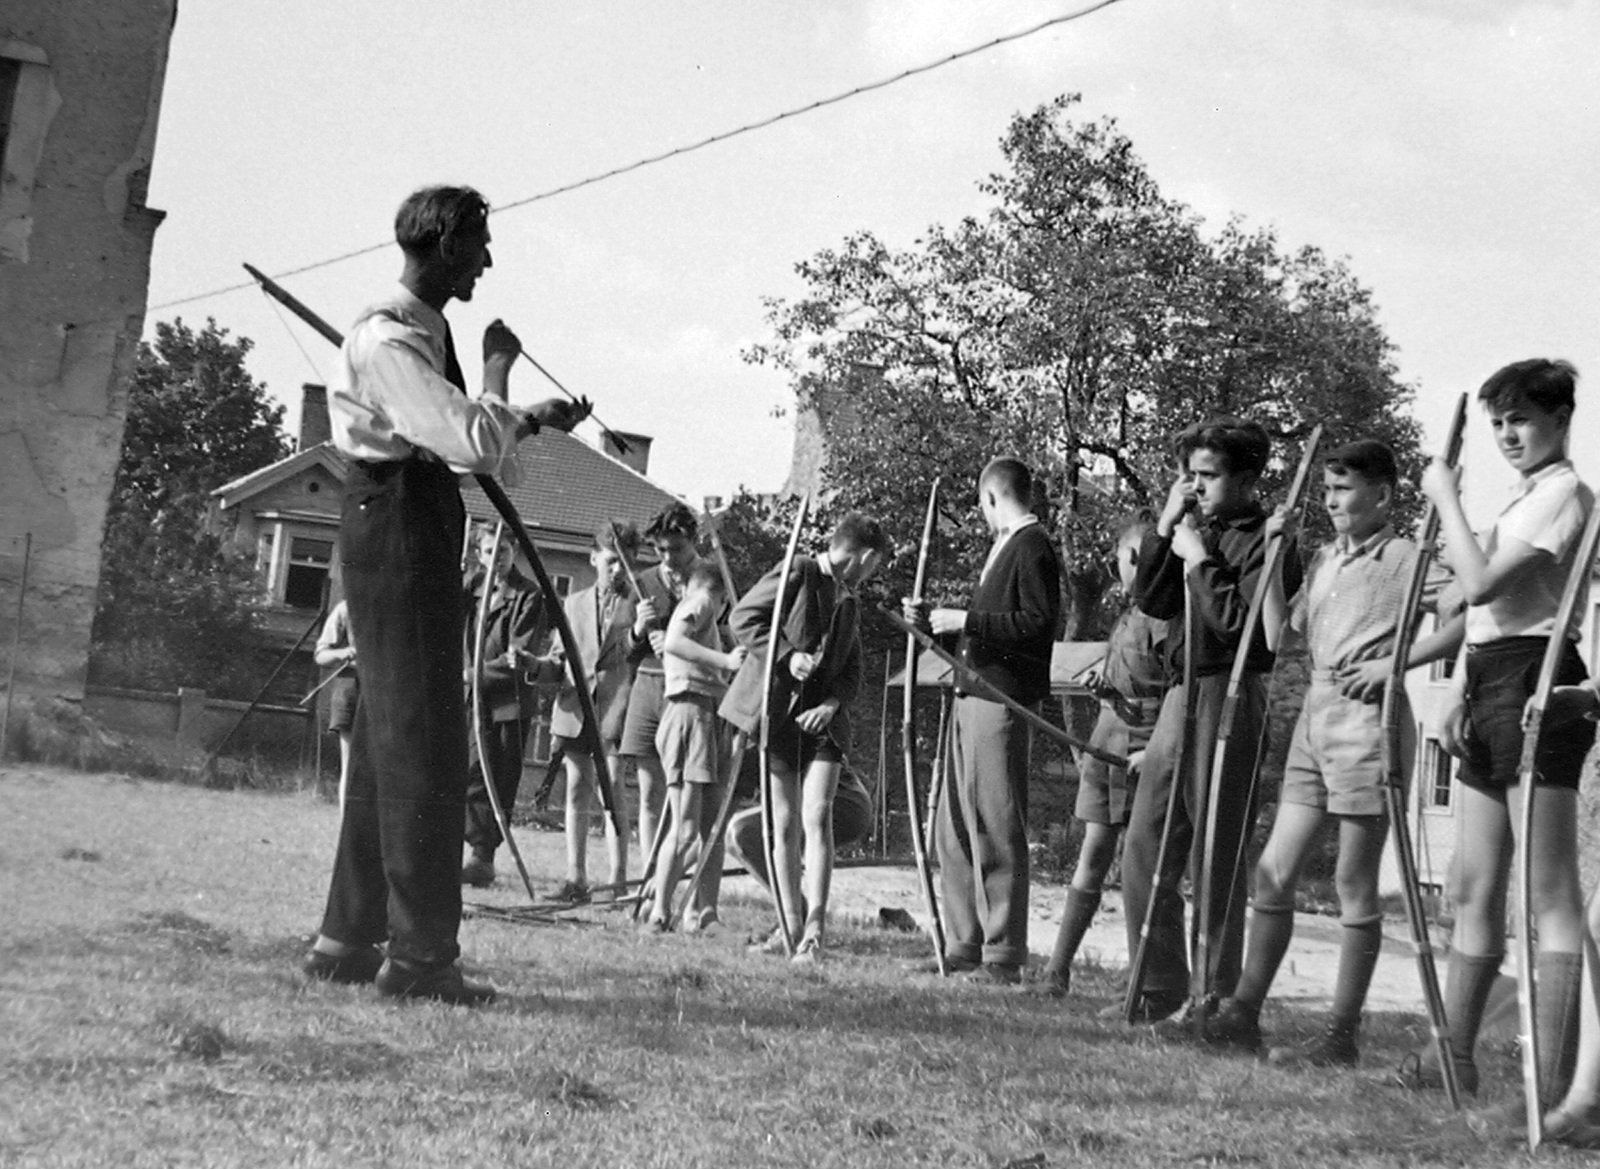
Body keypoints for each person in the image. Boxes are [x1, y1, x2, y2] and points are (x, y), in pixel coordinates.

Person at [301, 184, 588, 1005]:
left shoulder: (421, 333)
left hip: (409, 517)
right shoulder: (390, 339)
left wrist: (525, 416)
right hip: (395, 519)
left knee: (397, 735)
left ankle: (346, 938)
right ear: (448, 244)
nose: (489, 260)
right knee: (424, 740)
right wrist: (504, 382)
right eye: (482, 243)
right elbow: (469, 441)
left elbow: (471, 438)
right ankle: (422, 958)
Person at [1198, 440, 1461, 1063]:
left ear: (1383, 495)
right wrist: (1271, 554)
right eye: (1326, 491)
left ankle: (1340, 1034)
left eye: (1344, 490)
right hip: (1315, 723)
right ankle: (1243, 1012)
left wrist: (1398, 663)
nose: (1331, 501)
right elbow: (1273, 635)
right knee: (1274, 871)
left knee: (1352, 881)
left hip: (1368, 724)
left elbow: (1465, 615)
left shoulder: (1407, 558)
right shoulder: (1321, 559)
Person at [1399, 359, 1594, 1128]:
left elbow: (1477, 586)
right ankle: (1452, 1056)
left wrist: (1446, 498)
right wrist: (1453, 687)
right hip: (1488, 676)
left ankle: (1549, 1092)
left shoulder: (1562, 497)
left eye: (1520, 419)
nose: (1508, 435)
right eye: (1498, 423)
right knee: (1474, 886)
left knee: (1546, 896)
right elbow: (1471, 603)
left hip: (1538, 678)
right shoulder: (1523, 499)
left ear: (1560, 417)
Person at [1115, 417, 1302, 1025]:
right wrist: (1170, 528)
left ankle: (1214, 996)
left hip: (1229, 692)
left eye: (1209, 476)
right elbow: (1151, 601)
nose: (1196, 486)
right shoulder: (1194, 527)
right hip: (1179, 692)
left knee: (1217, 850)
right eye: (1188, 475)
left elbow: (1246, 633)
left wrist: (1199, 561)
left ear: (1247, 478)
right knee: (1146, 841)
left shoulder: (1267, 538)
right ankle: (1159, 985)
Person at [906, 459, 1062, 985]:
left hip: (1001, 702)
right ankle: (962, 944)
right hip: (969, 693)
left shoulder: (1032, 544)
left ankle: (1002, 954)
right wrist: (936, 626)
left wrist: (966, 619)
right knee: (954, 827)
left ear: (990, 499)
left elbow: (1037, 625)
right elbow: (988, 635)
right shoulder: (1003, 546)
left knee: (995, 824)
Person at [723, 511, 889, 962]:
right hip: (779, 718)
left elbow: (852, 672)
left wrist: (831, 705)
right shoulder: (798, 571)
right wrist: (785, 657)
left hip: (824, 726)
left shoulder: (848, 600)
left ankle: (814, 931)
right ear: (865, 557)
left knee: (817, 816)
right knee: (783, 823)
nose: (872, 574)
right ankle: (790, 925)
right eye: (875, 566)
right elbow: (744, 618)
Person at [1036, 513, 1167, 997]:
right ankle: (1056, 970)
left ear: (1136, 558)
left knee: (1140, 866)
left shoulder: (1170, 617)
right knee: (1092, 854)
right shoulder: (1129, 612)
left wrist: (1155, 751)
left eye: (1120, 559)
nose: (1118, 568)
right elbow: (1129, 676)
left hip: (1144, 748)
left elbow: (1178, 695)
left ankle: (1144, 982)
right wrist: (1104, 688)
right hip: (1108, 738)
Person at [643, 564, 746, 931]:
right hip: (690, 713)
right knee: (686, 827)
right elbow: (673, 641)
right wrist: (725, 661)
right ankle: (659, 910)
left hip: (712, 714)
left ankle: (706, 913)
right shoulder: (701, 600)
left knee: (712, 826)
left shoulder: (710, 617)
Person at [547, 523, 639, 903]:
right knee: (575, 787)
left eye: (625, 563)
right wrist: (537, 666)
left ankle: (617, 880)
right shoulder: (573, 603)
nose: (618, 570)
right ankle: (575, 877)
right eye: (611, 561)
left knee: (611, 785)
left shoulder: (638, 603)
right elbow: (558, 656)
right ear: (593, 558)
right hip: (576, 706)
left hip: (616, 705)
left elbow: (638, 651)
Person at [460, 524, 554, 889]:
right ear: (478, 554)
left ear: (512, 551)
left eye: (501, 552)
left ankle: (484, 857)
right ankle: (466, 848)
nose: (495, 559)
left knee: (497, 778)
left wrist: (470, 675)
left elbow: (518, 656)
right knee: (467, 774)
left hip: (508, 705)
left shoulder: (528, 596)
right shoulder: (470, 589)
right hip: (471, 701)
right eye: (487, 552)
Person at [620, 503, 708, 880]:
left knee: (684, 797)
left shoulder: (711, 579)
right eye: (660, 550)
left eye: (677, 549)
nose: (669, 559)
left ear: (694, 541)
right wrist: (638, 630)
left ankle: (672, 881)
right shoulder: (643, 581)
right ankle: (647, 879)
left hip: (689, 691)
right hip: (648, 686)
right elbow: (624, 649)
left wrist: (678, 642)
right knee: (650, 793)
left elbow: (727, 634)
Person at [313, 599, 358, 810]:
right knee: (350, 764)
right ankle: (345, 826)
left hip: (386, 690)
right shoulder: (346, 608)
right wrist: (342, 653)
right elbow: (321, 655)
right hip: (351, 689)